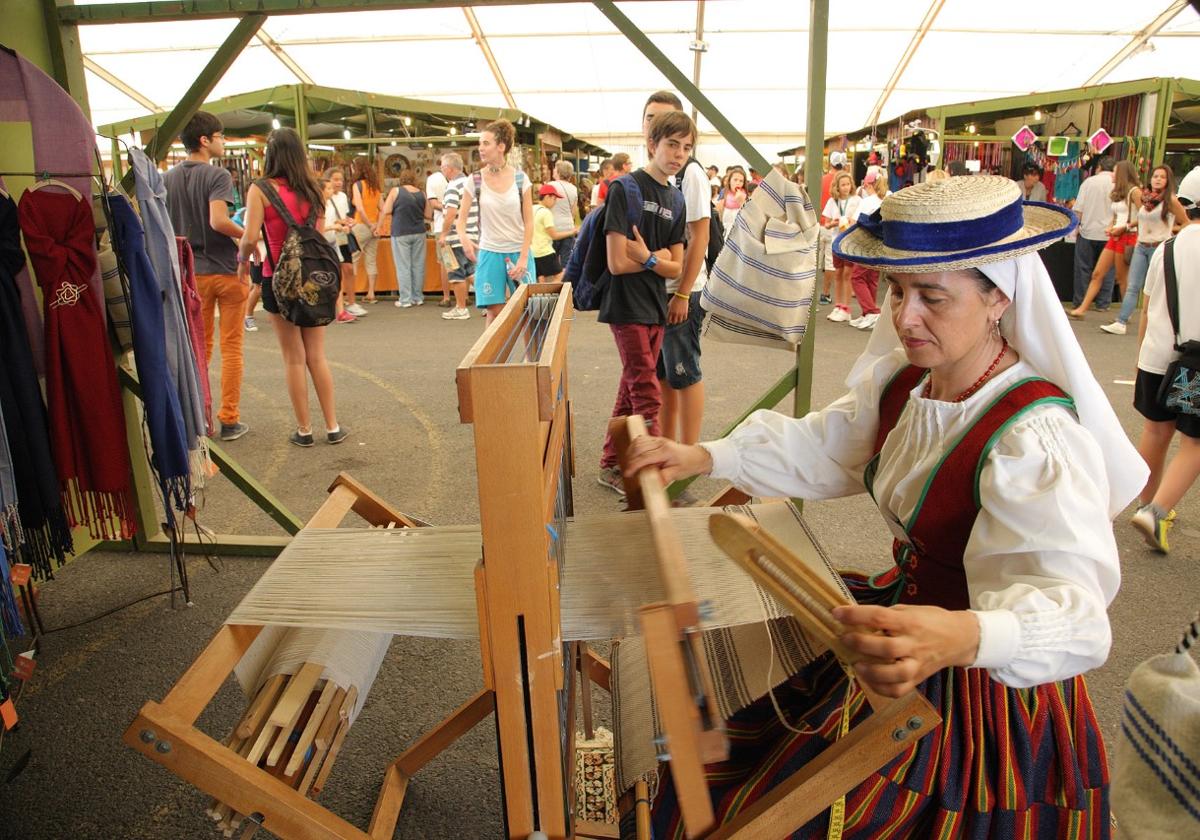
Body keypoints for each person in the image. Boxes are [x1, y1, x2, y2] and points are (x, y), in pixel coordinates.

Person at [624, 174, 1146, 838]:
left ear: (998, 301)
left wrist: (961, 635)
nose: (905, 317)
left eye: (933, 296)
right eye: (897, 292)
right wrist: (706, 456)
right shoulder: (907, 383)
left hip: (979, 690)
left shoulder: (1035, 440)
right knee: (728, 728)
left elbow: (1076, 614)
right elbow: (830, 443)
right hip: (903, 636)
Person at [595, 110, 692, 495]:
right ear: (652, 144)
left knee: (630, 388)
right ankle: (651, 474)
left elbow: (676, 268)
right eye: (672, 145)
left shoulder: (676, 198)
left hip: (655, 307)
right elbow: (617, 263)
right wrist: (658, 259)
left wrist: (647, 256)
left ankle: (609, 464)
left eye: (686, 147)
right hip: (626, 307)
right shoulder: (625, 188)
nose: (678, 154)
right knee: (646, 392)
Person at [237, 127, 346, 447]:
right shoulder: (315, 191)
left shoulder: (260, 190)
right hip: (315, 278)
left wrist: (244, 261)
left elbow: (249, 237)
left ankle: (304, 430)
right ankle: (333, 425)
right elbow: (320, 233)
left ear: (270, 155)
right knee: (317, 355)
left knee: (293, 357)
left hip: (276, 279)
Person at [163, 110, 249, 441]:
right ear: (205, 140)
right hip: (225, 270)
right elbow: (218, 221)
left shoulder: (168, 178)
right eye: (220, 136)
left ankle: (198, 416)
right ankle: (229, 418)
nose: (223, 142)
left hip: (190, 275)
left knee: (200, 348)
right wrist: (245, 237)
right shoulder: (218, 176)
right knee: (232, 347)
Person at [1128, 174, 1200, 552]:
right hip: (1193, 365)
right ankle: (1155, 513)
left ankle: (1144, 501)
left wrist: (1141, 357)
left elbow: (1148, 304)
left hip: (1156, 356)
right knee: (1196, 442)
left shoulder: (1168, 247)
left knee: (1155, 432)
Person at [643, 91, 712, 449]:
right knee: (666, 377)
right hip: (662, 289)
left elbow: (701, 235)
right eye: (651, 119)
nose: (656, 124)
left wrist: (684, 291)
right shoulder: (661, 177)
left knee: (685, 373)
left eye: (665, 119)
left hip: (683, 290)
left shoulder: (691, 174)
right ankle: (669, 449)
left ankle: (689, 454)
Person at [457, 119, 536, 325]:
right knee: (494, 312)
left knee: (530, 312)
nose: (480, 148)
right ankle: (494, 358)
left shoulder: (521, 179)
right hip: (490, 251)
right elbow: (461, 219)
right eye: (480, 143)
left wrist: (523, 258)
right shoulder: (474, 179)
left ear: (501, 147)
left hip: (519, 251)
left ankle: (532, 358)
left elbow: (529, 222)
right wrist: (464, 237)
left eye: (486, 143)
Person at [1101, 164, 1189, 335]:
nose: (1157, 179)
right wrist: (1128, 226)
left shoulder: (1170, 200)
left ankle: (1160, 323)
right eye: (1155, 176)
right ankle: (1121, 322)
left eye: (1162, 177)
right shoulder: (1146, 198)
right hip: (1141, 246)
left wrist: (1170, 230)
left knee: (1158, 287)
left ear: (1168, 180)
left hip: (1159, 247)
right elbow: (1142, 218)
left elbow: (1185, 222)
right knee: (1133, 285)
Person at [1069, 160, 1138, 319]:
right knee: (1100, 273)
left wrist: (1125, 227)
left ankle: (1123, 314)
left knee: (1118, 277)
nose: (1112, 175)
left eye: (1115, 171)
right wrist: (1110, 225)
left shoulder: (1133, 192)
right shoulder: (1119, 191)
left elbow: (1142, 215)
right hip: (1112, 235)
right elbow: (1116, 215)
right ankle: (1092, 306)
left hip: (1117, 235)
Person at [377, 170, 428, 309]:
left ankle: (405, 299)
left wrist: (378, 227)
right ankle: (418, 297)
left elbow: (386, 210)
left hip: (400, 232)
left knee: (403, 266)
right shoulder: (422, 193)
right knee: (418, 265)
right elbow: (428, 214)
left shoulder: (396, 191)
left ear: (402, 179)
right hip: (419, 232)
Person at [1072, 156, 1117, 312]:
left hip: (1088, 231)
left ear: (1098, 167)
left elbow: (1078, 209)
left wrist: (1075, 227)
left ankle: (1080, 302)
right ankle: (1103, 303)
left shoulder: (1088, 183)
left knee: (1083, 268)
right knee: (1108, 271)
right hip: (1110, 234)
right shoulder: (1117, 184)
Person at [437, 152, 478, 320]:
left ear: (449, 168)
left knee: (455, 272)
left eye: (442, 167)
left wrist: (443, 234)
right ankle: (492, 300)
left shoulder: (453, 186)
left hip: (456, 236)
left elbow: (451, 212)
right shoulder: (470, 183)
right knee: (471, 272)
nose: (441, 170)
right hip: (472, 233)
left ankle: (461, 308)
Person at [846, 172, 888, 330]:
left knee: (857, 277)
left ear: (867, 185)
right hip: (881, 243)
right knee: (871, 278)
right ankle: (867, 313)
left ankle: (871, 311)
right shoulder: (888, 198)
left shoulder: (867, 202)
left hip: (865, 243)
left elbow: (854, 222)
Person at [321, 168, 361, 323]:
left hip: (335, 241)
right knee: (327, 275)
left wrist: (345, 224)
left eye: (340, 180)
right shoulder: (319, 206)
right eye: (330, 185)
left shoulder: (340, 199)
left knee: (338, 273)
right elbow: (318, 227)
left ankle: (342, 310)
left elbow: (338, 219)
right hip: (322, 243)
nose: (336, 186)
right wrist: (334, 227)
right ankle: (333, 308)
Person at [821, 170, 859, 323]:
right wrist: (834, 223)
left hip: (850, 241)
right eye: (843, 185)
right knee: (838, 273)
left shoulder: (856, 200)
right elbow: (827, 223)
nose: (846, 187)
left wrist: (850, 220)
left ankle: (846, 307)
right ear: (837, 186)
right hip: (836, 240)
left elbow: (858, 220)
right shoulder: (832, 202)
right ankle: (838, 305)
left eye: (848, 184)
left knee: (847, 274)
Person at [349, 156, 383, 304]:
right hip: (374, 227)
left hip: (360, 226)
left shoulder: (357, 185)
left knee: (353, 259)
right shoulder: (375, 186)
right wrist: (377, 226)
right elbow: (383, 209)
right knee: (371, 260)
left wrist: (369, 225)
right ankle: (371, 293)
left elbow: (360, 209)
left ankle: (350, 295)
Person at [818, 151, 847, 305]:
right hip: (835, 227)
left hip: (818, 224)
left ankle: (808, 295)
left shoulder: (821, 180)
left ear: (830, 164)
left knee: (814, 261)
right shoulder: (843, 183)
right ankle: (825, 293)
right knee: (830, 262)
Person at [532, 183, 575, 281]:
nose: (555, 202)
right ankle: (554, 295)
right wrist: (571, 232)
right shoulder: (546, 213)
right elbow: (554, 236)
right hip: (546, 252)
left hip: (533, 252)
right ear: (547, 197)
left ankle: (542, 295)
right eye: (554, 199)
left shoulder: (532, 209)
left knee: (540, 278)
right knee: (561, 276)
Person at [426, 156, 452, 307]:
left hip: (442, 226)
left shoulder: (433, 179)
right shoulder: (463, 179)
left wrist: (446, 208)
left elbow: (433, 203)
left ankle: (447, 296)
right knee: (461, 261)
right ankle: (462, 295)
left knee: (445, 262)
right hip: (458, 225)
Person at [549, 160, 579, 265]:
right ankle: (566, 280)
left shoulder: (551, 185)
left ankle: (555, 281)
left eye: (555, 168)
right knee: (566, 261)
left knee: (552, 261)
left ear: (559, 171)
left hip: (553, 228)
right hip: (568, 228)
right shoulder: (574, 188)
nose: (553, 170)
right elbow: (573, 211)